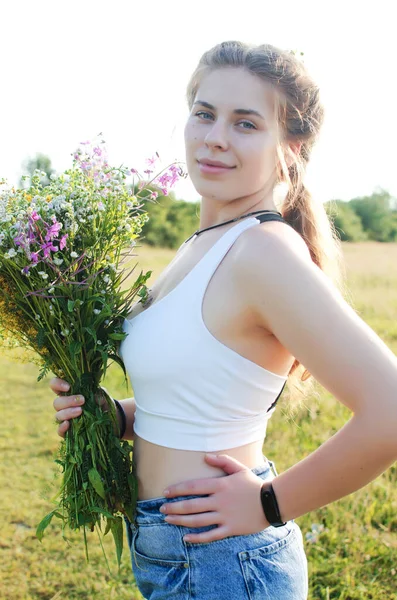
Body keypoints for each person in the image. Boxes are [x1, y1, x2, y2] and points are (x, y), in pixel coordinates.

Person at [50, 40, 397, 599]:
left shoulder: (263, 252)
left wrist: (270, 502)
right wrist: (115, 416)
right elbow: (204, 393)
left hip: (223, 563)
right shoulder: (204, 243)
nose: (215, 136)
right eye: (205, 113)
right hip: (176, 549)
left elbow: (391, 411)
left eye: (246, 123)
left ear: (290, 147)